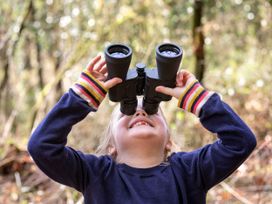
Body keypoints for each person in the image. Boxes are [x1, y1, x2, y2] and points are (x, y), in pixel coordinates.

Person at [28, 54, 256, 204]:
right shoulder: (95, 173)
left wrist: (197, 98)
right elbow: (41, 146)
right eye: (126, 112)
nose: (140, 112)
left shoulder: (190, 171)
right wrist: (82, 96)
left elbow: (241, 141)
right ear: (111, 146)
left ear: (169, 140)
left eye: (152, 111)